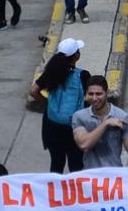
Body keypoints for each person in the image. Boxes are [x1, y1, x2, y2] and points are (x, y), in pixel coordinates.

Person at [29, 39, 90, 173]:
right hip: (75, 127)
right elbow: (91, 98)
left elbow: (33, 91)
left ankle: (55, 192)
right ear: (77, 56)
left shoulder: (50, 71)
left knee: (56, 164)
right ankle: (76, 193)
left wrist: (48, 103)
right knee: (77, 166)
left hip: (52, 126)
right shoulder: (83, 75)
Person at [72, 76, 128, 168]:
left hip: (114, 175)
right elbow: (84, 144)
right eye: (91, 94)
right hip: (90, 176)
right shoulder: (79, 117)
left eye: (98, 94)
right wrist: (105, 123)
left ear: (107, 93)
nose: (94, 98)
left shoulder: (122, 117)